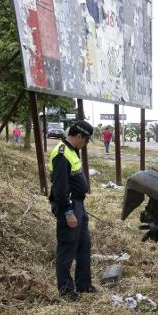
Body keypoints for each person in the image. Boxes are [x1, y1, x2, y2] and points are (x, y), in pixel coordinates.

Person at [48, 120, 97, 301]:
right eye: (86, 140)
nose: (86, 144)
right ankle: (66, 291)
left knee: (84, 245)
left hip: (78, 205)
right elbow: (60, 189)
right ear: (79, 136)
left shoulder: (72, 150)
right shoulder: (61, 153)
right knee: (67, 248)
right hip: (68, 206)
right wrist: (68, 212)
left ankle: (84, 284)